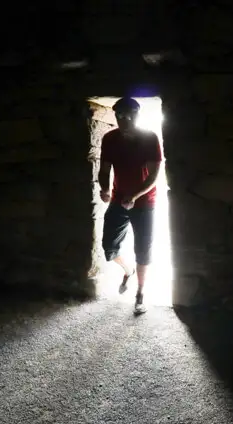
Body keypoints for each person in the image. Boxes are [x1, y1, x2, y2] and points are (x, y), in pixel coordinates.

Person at [98, 97, 163, 314]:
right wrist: (105, 188)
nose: (123, 120)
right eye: (119, 116)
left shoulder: (149, 139)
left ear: (137, 115)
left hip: (145, 203)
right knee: (109, 246)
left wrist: (135, 195)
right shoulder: (110, 139)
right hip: (118, 200)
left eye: (128, 115)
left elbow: (153, 176)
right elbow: (104, 169)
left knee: (143, 250)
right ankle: (128, 270)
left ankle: (140, 294)